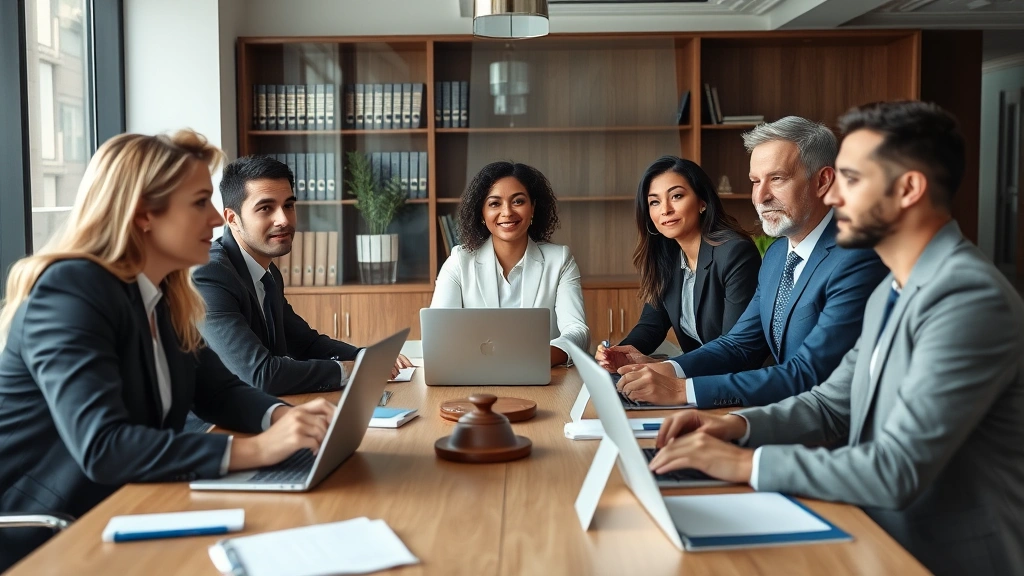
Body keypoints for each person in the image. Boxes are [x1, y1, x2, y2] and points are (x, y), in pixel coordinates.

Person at [648, 102, 1024, 576]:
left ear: (908, 189)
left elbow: (896, 470)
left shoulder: (966, 297)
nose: (836, 196)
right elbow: (830, 403)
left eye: (851, 178)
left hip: (936, 553)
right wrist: (737, 427)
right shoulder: (895, 285)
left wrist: (746, 465)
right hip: (870, 530)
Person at [0, 131, 336, 570]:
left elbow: (219, 391)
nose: (218, 219)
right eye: (200, 203)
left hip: (133, 504)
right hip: (53, 533)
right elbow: (104, 446)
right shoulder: (71, 294)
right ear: (143, 214)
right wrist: (257, 451)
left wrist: (283, 417)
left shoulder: (161, 295)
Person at [607, 116, 888, 408]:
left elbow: (809, 374)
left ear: (823, 181)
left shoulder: (857, 258)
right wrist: (666, 370)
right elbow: (738, 344)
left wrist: (682, 391)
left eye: (777, 178)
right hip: (781, 413)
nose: (761, 196)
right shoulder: (777, 256)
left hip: (830, 432)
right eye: (755, 181)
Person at [192, 156, 410, 396]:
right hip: (214, 427)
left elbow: (306, 343)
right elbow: (260, 375)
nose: (284, 220)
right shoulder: (210, 275)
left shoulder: (268, 273)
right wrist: (351, 370)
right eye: (266, 208)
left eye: (288, 205)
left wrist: (365, 356)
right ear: (233, 219)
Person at [596, 156, 760, 369]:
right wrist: (618, 353)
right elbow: (651, 326)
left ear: (702, 202)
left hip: (737, 383)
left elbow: (733, 347)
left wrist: (667, 367)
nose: (665, 209)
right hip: (697, 378)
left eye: (676, 196)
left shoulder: (735, 254)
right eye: (654, 202)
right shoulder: (668, 258)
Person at [430, 161, 589, 365]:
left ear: (533, 208)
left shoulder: (560, 260)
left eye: (518, 201)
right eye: (495, 203)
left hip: (541, 377)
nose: (507, 212)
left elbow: (578, 331)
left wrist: (537, 357)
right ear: (482, 213)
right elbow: (439, 334)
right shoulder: (459, 262)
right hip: (476, 376)